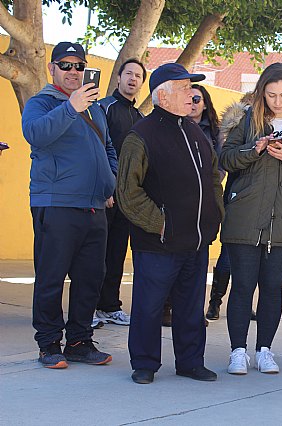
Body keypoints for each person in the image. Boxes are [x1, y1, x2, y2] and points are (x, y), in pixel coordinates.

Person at [116, 63, 224, 384]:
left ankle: (190, 361)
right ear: (162, 95)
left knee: (191, 307)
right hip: (158, 244)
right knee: (149, 307)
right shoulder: (141, 136)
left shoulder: (195, 132)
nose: (192, 94)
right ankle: (145, 363)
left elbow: (213, 180)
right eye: (183, 88)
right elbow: (127, 193)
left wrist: (213, 217)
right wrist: (161, 224)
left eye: (191, 88)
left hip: (195, 242)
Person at [220, 62, 282, 375]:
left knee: (272, 287)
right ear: (262, 91)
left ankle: (265, 350)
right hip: (245, 215)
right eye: (271, 94)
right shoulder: (245, 119)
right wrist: (255, 149)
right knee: (242, 286)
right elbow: (225, 159)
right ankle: (238, 351)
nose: (277, 101)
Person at [22, 42, 117, 368]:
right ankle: (49, 344)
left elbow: (109, 150)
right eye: (66, 65)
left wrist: (110, 182)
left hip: (94, 206)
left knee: (91, 277)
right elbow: (35, 134)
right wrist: (70, 108)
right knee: (51, 277)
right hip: (57, 204)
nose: (73, 71)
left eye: (79, 66)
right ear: (52, 69)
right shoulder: (42, 103)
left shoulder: (96, 109)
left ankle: (79, 341)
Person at [92, 58, 146, 328]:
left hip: (127, 199)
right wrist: (106, 186)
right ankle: (87, 308)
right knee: (94, 255)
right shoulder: (104, 108)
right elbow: (98, 149)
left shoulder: (139, 117)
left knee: (115, 254)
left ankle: (109, 307)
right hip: (103, 194)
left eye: (138, 76)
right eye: (129, 74)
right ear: (119, 78)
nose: (133, 79)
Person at [185, 83, 231, 322]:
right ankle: (170, 307)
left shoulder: (214, 132)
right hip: (179, 201)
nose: (192, 102)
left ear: (205, 104)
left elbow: (221, 166)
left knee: (199, 258)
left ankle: (198, 308)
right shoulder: (174, 125)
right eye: (189, 98)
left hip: (206, 202)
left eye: (197, 99)